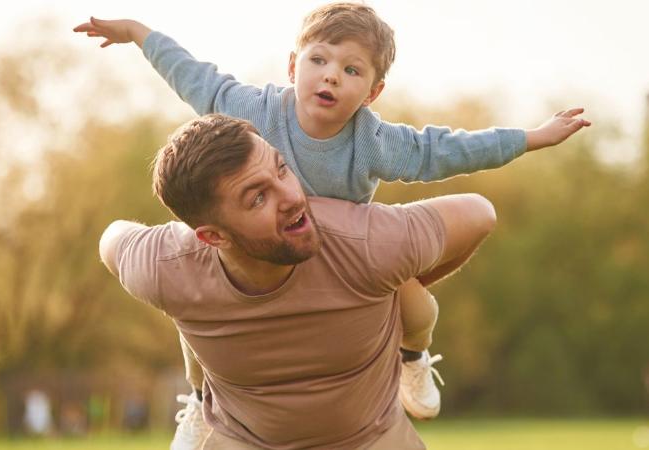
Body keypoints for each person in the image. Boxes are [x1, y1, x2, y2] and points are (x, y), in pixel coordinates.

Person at [75, 0, 591, 436]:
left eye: (351, 70)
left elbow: (446, 151)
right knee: (194, 329)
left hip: (346, 260)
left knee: (418, 308)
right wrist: (139, 34)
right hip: (262, 253)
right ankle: (198, 403)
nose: (331, 76)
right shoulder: (253, 111)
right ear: (293, 66)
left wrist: (529, 138)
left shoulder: (375, 141)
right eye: (319, 60)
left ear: (371, 92)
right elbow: (194, 77)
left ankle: (413, 360)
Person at [100, 114, 499, 449]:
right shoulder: (166, 265)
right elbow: (110, 242)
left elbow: (479, 214)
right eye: (258, 198)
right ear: (213, 237)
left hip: (372, 439)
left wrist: (392, 288)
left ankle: (414, 355)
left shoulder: (363, 242)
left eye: (281, 169)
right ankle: (201, 398)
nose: (291, 197)